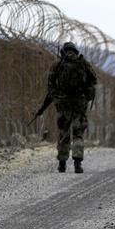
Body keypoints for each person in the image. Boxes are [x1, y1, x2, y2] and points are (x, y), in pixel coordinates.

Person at [47, 42, 97, 173]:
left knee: (63, 132)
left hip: (63, 103)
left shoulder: (58, 64)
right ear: (75, 50)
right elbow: (93, 79)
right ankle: (77, 164)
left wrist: (56, 98)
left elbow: (51, 83)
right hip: (79, 102)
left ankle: (62, 163)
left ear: (63, 51)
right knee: (78, 133)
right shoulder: (82, 62)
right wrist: (87, 95)